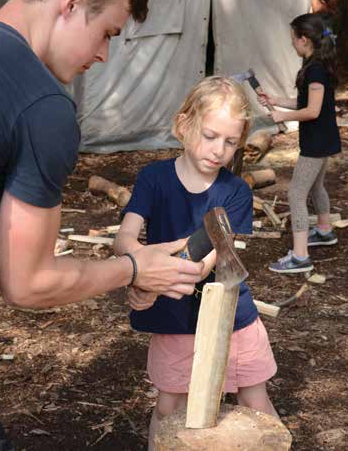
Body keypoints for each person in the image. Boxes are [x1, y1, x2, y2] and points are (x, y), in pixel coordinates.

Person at [0, 0, 203, 449]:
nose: (102, 55)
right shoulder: (42, 107)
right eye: (107, 33)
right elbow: (27, 283)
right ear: (72, 1)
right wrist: (132, 267)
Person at [114, 76, 279, 450]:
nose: (218, 150)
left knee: (255, 402)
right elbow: (124, 238)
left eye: (230, 142)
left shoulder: (236, 191)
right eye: (209, 135)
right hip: (174, 319)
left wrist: (152, 280)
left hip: (233, 319)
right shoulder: (153, 179)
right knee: (170, 408)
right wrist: (138, 275)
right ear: (183, 125)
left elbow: (208, 261)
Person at [257, 13, 341, 274]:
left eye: (293, 39)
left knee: (295, 193)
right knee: (316, 186)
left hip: (316, 142)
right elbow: (305, 103)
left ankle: (300, 256)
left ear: (304, 39)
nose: (292, 44)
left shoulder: (315, 70)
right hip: (324, 139)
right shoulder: (316, 64)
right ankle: (325, 231)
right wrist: (276, 100)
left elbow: (312, 111)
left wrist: (283, 116)